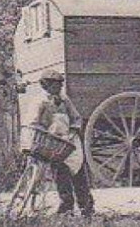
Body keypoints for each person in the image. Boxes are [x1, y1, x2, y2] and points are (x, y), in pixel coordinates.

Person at [30, 69, 94, 217]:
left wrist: (72, 132)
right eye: (55, 86)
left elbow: (76, 118)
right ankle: (67, 206)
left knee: (79, 172)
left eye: (60, 85)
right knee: (61, 174)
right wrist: (45, 134)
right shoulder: (40, 102)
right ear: (46, 86)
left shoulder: (65, 100)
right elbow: (34, 122)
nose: (58, 89)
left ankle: (86, 205)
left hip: (70, 141)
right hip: (53, 143)